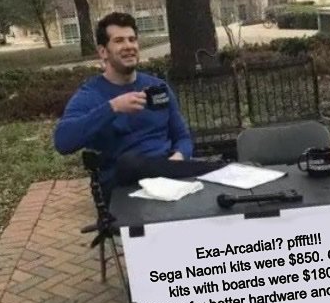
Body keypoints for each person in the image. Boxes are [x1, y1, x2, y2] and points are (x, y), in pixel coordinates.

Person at [54, 12, 222, 200]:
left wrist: (179, 157)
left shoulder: (158, 88)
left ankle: (219, 171)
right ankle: (215, 169)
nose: (129, 46)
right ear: (103, 52)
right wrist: (113, 107)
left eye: (132, 39)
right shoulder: (91, 95)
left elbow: (182, 137)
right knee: (130, 162)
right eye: (119, 41)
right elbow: (63, 142)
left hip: (169, 178)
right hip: (124, 187)